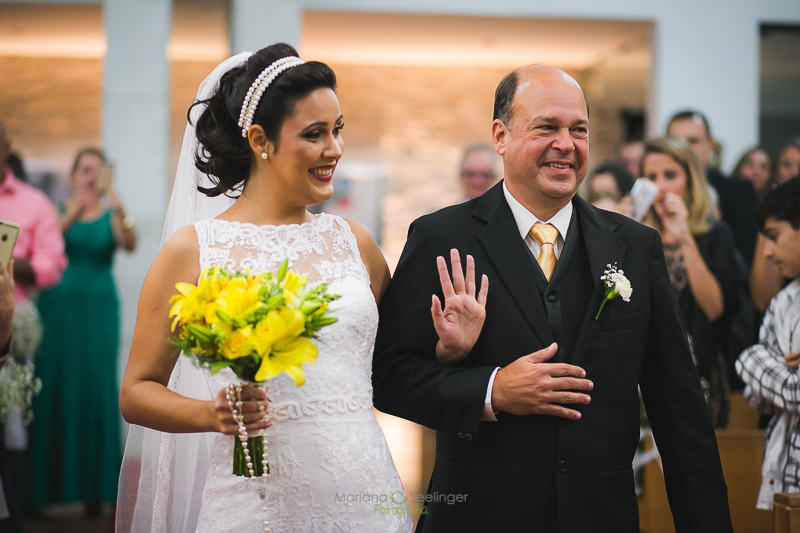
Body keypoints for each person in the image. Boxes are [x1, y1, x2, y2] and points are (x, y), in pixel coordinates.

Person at [116, 44, 485, 533]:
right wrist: (212, 412)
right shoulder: (194, 251)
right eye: (314, 134)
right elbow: (137, 391)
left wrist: (447, 348)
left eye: (337, 130)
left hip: (364, 497)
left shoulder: (354, 243)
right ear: (259, 139)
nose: (333, 149)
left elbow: (397, 365)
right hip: (254, 505)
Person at [372, 65, 732, 532]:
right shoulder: (441, 237)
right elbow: (390, 377)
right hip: (480, 515)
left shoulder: (635, 247)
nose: (567, 143)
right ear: (501, 136)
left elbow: (680, 411)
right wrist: (491, 390)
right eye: (547, 127)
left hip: (600, 515)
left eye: (578, 130)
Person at [27, 147, 136, 514]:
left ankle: (96, 490)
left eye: (97, 171)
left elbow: (130, 244)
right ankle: (41, 491)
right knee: (53, 386)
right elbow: (45, 244)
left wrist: (121, 211)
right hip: (57, 311)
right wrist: (74, 210)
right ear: (73, 174)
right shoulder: (55, 212)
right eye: (84, 170)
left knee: (95, 387)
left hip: (99, 311)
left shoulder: (112, 215)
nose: (90, 176)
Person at [640, 136, 744, 427]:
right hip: (645, 370)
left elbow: (714, 309)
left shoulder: (715, 234)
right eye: (651, 177)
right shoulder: (638, 235)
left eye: (670, 175)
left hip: (699, 371)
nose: (660, 186)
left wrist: (684, 236)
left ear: (691, 180)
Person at [736, 177, 800, 509]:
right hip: (786, 472)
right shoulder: (785, 300)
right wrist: (772, 374)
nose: (766, 251)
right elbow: (756, 397)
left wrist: (749, 359)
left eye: (774, 236)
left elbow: (794, 392)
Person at [667, 110, 758, 267]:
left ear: (710, 144)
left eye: (693, 141)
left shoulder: (738, 190)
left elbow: (747, 256)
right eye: (676, 141)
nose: (684, 149)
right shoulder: (659, 192)